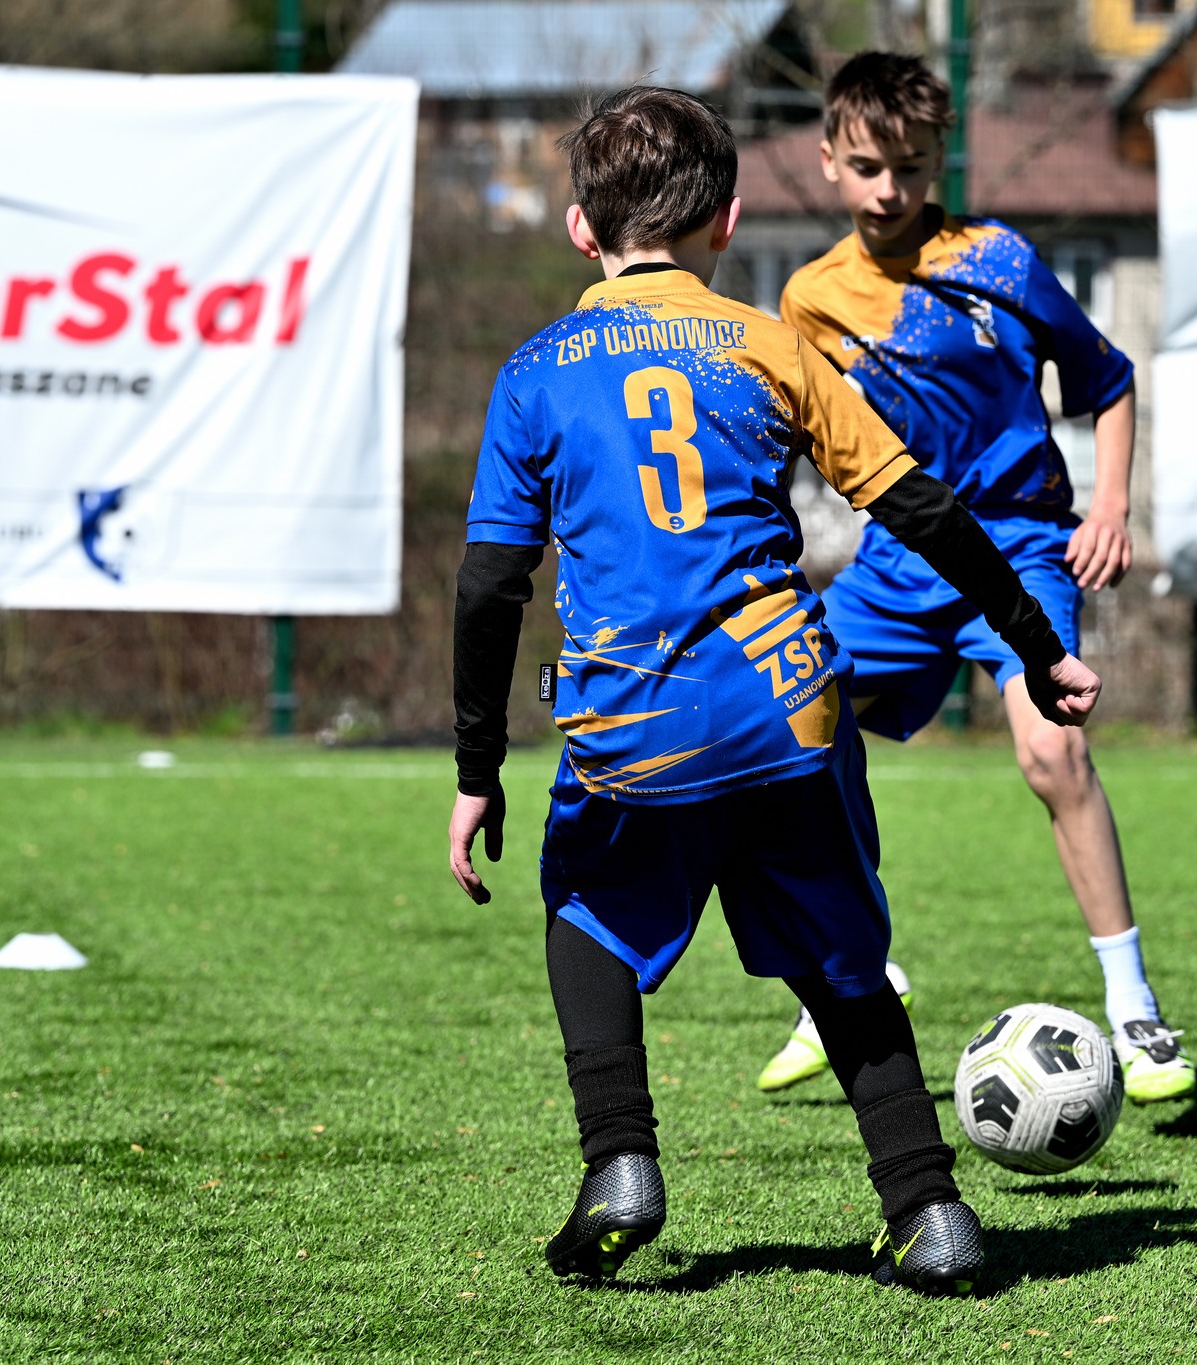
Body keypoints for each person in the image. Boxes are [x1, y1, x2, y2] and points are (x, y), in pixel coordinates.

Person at [444, 86, 1102, 1295]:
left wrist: (476, 767)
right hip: (787, 702)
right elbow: (917, 503)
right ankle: (927, 1207)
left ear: (582, 231)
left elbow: (490, 586)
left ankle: (620, 1164)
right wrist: (1031, 640)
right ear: (728, 222)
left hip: (630, 716)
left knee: (583, 914)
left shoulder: (535, 373)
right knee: (841, 957)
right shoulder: (767, 343)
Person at [760, 52, 1195, 1105]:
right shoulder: (810, 298)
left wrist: (1109, 505)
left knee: (1053, 753)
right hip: (897, 558)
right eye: (868, 167)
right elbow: (802, 437)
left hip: (1017, 545)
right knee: (792, 724)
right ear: (828, 160)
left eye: (910, 167)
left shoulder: (997, 258)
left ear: (937, 159)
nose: (888, 189)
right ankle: (857, 972)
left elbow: (1108, 380)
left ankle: (1135, 1010)